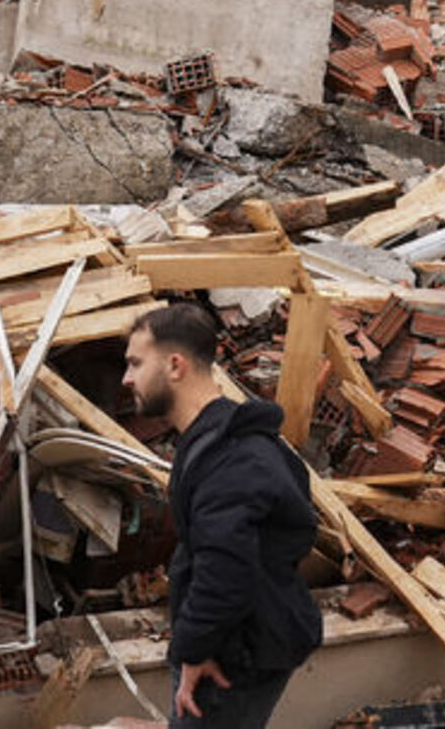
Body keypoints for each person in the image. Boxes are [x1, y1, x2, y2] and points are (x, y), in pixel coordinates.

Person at [122, 304, 322, 727]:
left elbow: (225, 570)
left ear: (175, 365)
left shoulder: (231, 460)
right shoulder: (218, 438)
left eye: (136, 363)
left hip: (235, 656)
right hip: (232, 642)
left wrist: (193, 651)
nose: (126, 378)